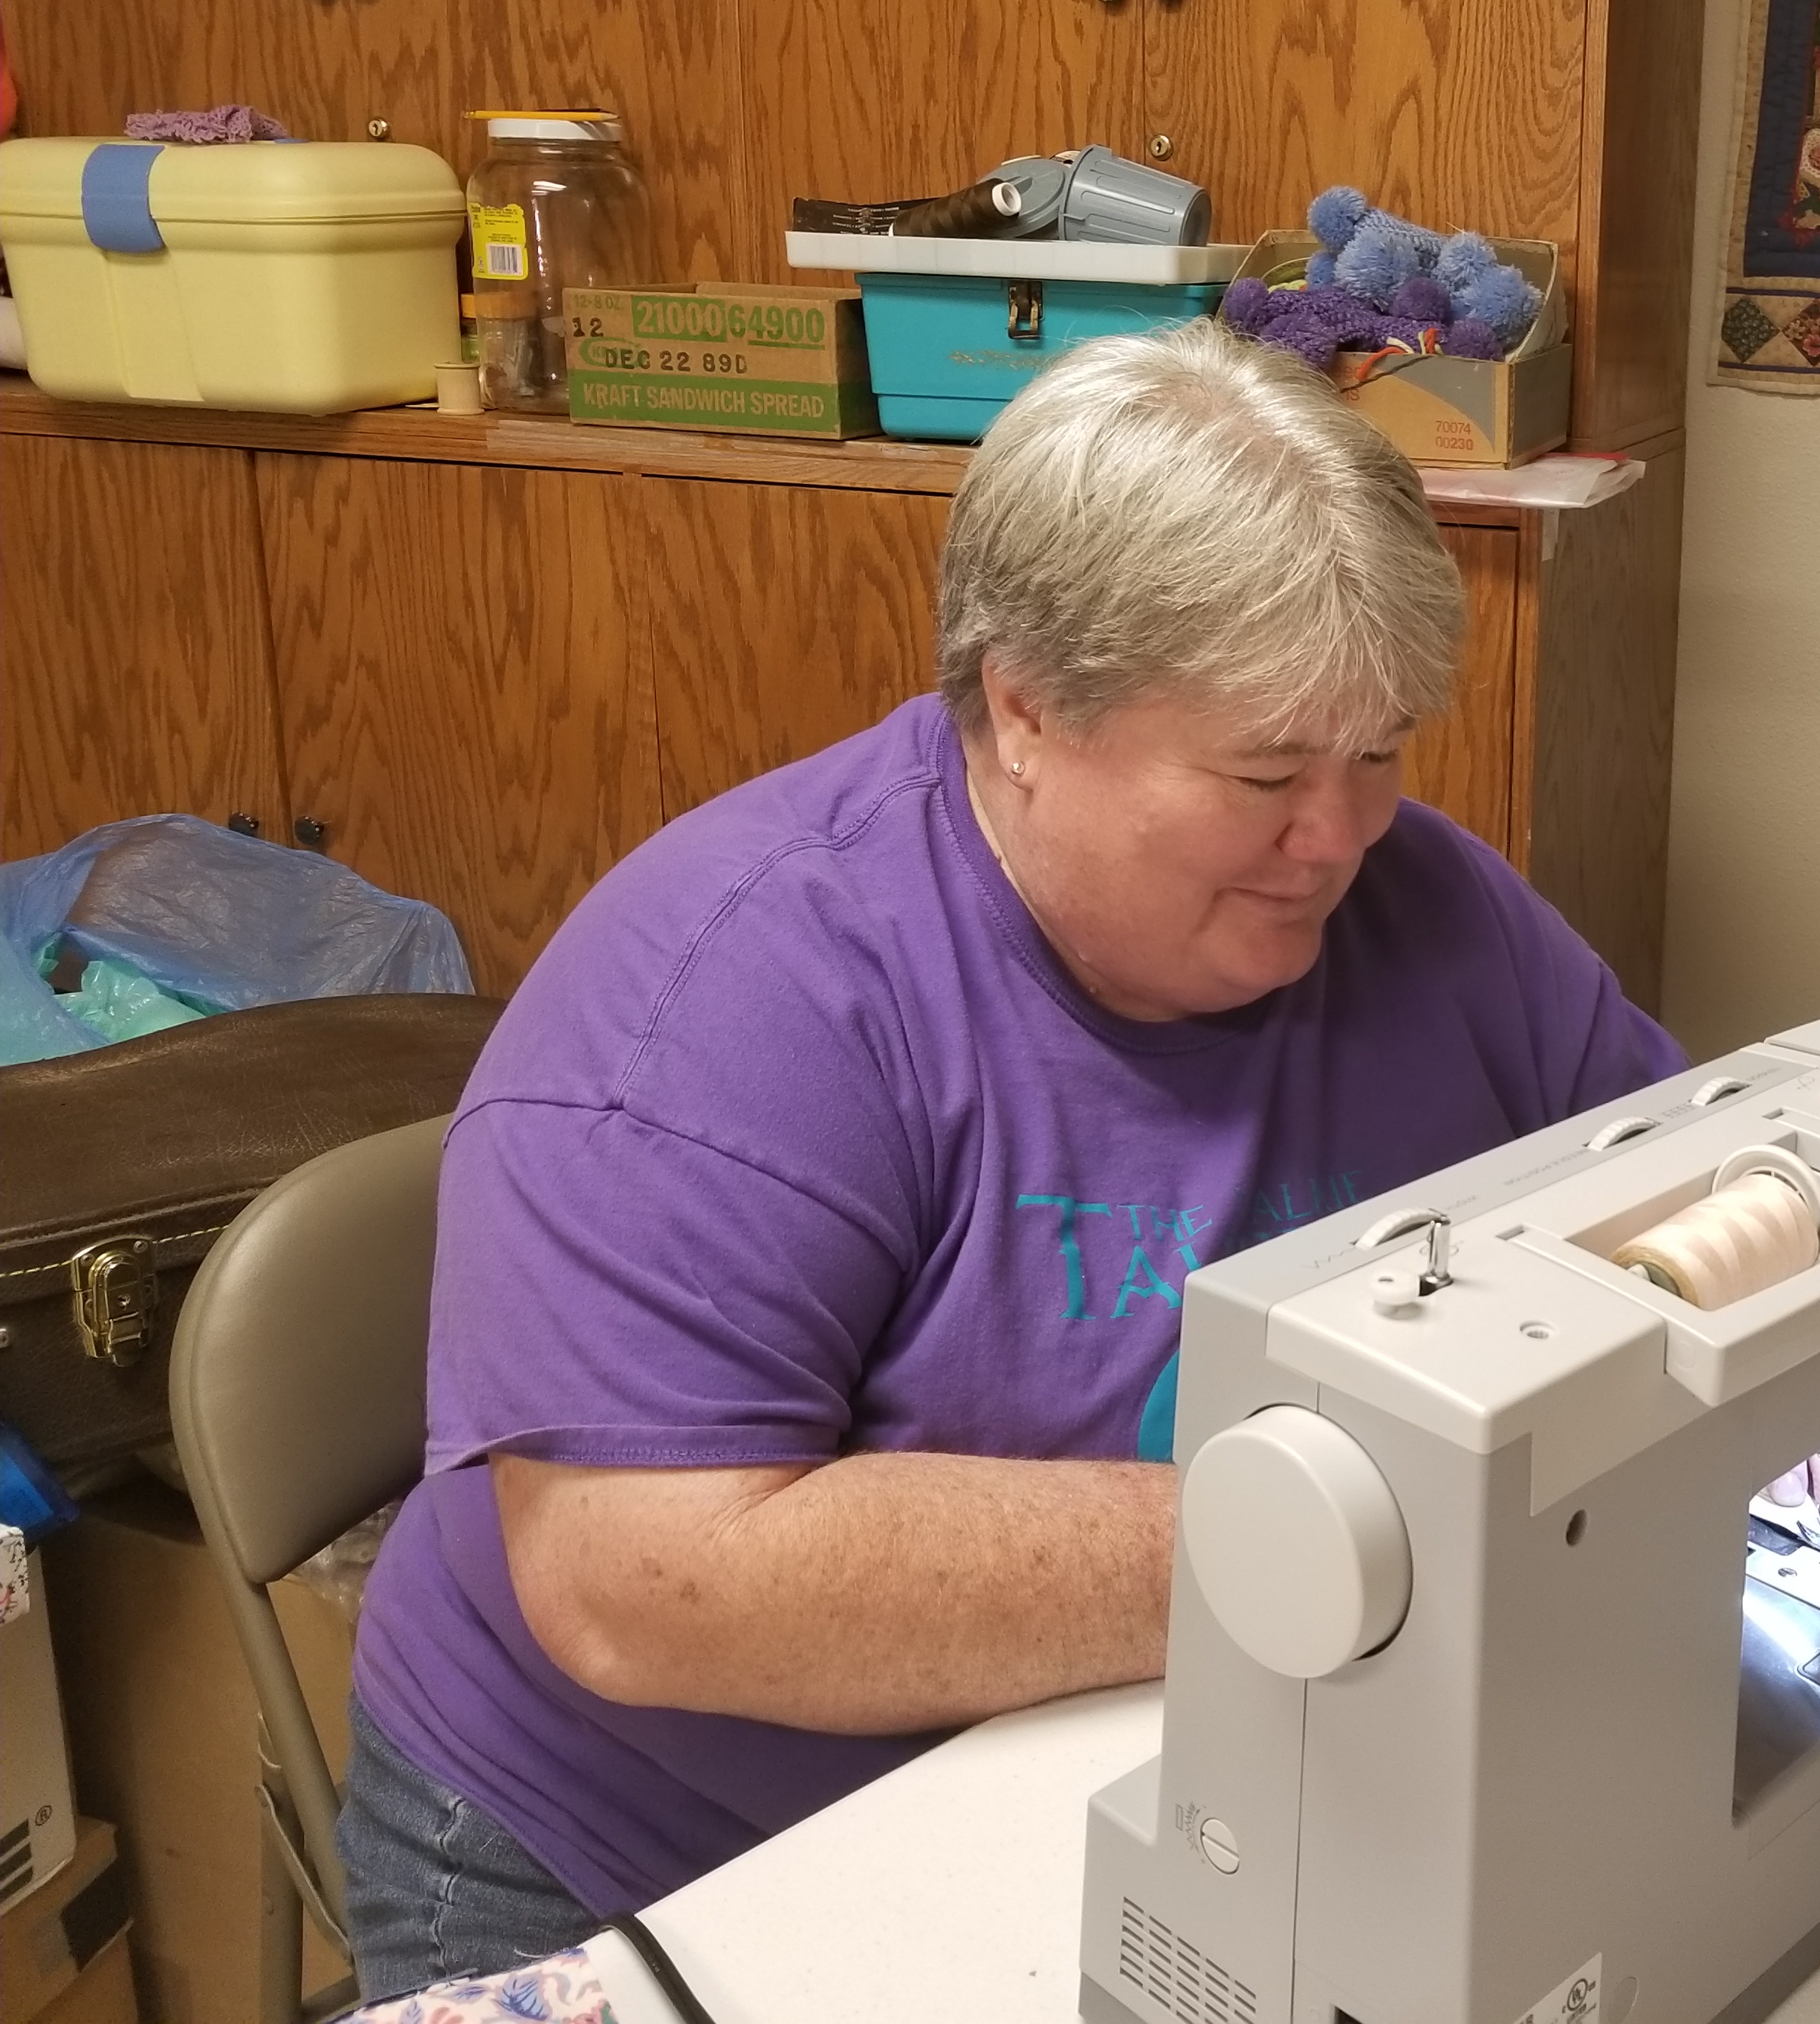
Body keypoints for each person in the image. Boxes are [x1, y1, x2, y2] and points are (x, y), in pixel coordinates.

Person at [337, 321, 1683, 1996]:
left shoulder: (1437, 918)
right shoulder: (734, 998)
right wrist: (1357, 1542)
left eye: (1382, 753)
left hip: (1171, 1774)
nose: (1339, 838)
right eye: (1264, 772)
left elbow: (1676, 1192)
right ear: (1026, 711)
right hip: (653, 1857)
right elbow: (648, 1585)